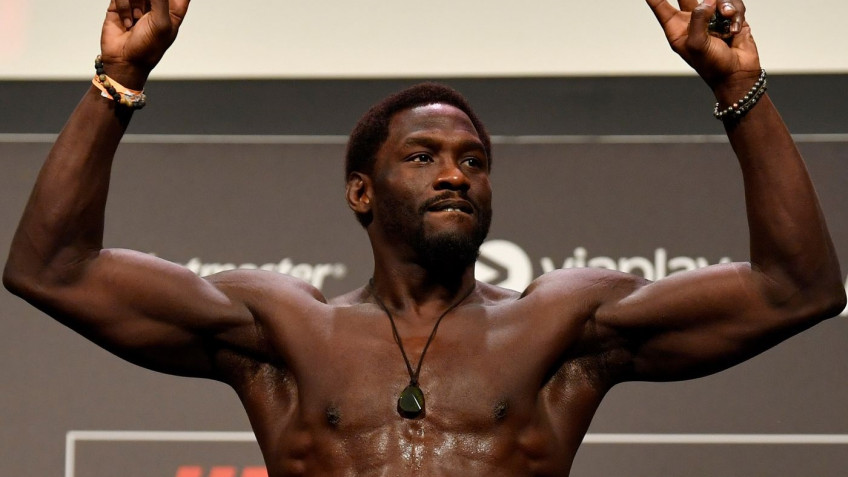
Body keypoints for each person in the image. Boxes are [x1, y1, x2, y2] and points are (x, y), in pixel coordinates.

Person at [4, 0, 844, 475]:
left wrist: (739, 86)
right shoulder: (283, 330)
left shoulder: (562, 325)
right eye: (423, 156)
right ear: (361, 192)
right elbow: (53, 269)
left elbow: (796, 288)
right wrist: (119, 77)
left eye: (474, 161)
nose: (455, 174)